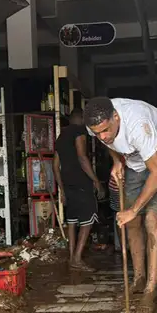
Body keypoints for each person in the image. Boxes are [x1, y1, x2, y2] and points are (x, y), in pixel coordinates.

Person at [84, 97, 157, 313]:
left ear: (116, 117)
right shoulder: (95, 123)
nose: (103, 136)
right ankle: (138, 278)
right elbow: (107, 141)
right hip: (134, 161)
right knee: (132, 222)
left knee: (151, 219)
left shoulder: (138, 125)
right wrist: (117, 161)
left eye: (106, 130)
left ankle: (150, 290)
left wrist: (134, 209)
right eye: (97, 133)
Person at [53, 109, 105, 271]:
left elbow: (55, 166)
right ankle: (77, 259)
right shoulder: (79, 131)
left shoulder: (61, 137)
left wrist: (62, 190)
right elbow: (82, 157)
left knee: (72, 221)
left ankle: (72, 258)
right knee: (88, 220)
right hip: (81, 182)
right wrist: (96, 181)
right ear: (82, 119)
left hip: (68, 184)